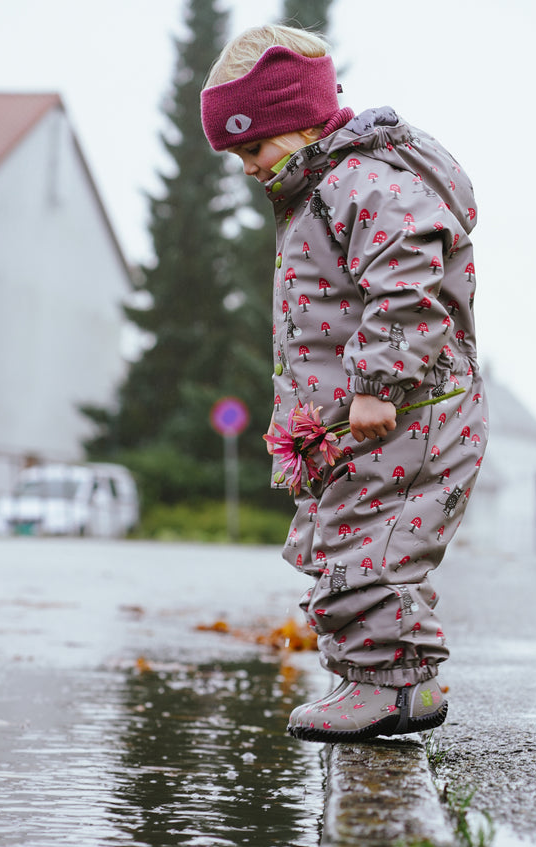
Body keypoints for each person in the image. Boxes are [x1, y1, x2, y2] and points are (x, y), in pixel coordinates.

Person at [201, 25, 488, 743]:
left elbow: (403, 276)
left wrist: (378, 382)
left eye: (253, 148)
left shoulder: (357, 181)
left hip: (410, 405)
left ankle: (385, 691)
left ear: (299, 121)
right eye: (236, 156)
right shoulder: (322, 188)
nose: (247, 168)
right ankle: (392, 685)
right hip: (379, 410)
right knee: (356, 538)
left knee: (373, 544)